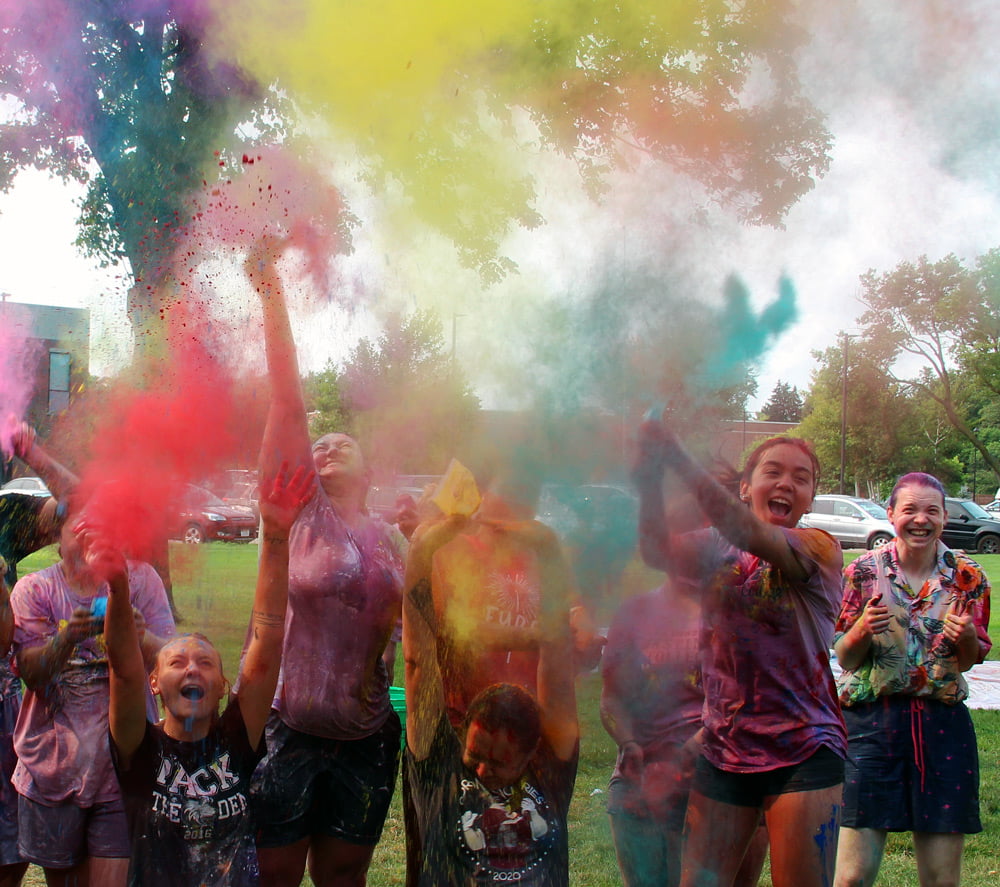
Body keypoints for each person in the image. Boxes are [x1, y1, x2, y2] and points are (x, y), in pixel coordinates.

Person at [244, 239, 405, 887]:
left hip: (368, 737)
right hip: (290, 726)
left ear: (370, 470)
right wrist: (270, 290)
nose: (328, 442)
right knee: (276, 874)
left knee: (343, 877)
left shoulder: (393, 536)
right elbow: (288, 401)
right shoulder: (299, 508)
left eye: (344, 441)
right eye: (321, 441)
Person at [633, 420, 847, 887]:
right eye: (773, 471)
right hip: (723, 747)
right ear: (747, 486)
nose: (787, 483)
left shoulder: (819, 548)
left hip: (804, 747)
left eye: (801, 477)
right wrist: (649, 477)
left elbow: (747, 531)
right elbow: (654, 551)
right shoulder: (712, 546)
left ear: (810, 497)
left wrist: (677, 455)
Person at [101, 461, 313, 886]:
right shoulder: (140, 750)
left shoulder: (236, 738)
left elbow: (268, 639)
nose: (192, 668)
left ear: (221, 686)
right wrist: (118, 588)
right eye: (177, 662)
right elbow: (124, 669)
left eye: (205, 664)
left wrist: (275, 533)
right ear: (155, 683)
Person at [833, 472, 991, 887]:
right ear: (890, 514)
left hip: (943, 728)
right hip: (869, 728)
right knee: (850, 877)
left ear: (944, 518)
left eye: (931, 511)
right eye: (910, 510)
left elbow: (969, 662)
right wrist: (862, 629)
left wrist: (969, 638)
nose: (920, 519)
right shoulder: (862, 572)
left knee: (941, 880)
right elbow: (845, 658)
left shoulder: (968, 576)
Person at [402, 514, 579, 886]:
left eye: (500, 762)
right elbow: (418, 663)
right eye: (476, 754)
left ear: (533, 752)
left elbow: (558, 665)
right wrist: (421, 552)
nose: (482, 772)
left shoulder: (549, 771)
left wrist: (548, 554)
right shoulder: (440, 769)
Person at [10, 493, 175, 887]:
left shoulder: (141, 579)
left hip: (125, 765)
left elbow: (172, 660)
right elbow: (30, 674)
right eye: (79, 532)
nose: (89, 543)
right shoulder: (35, 590)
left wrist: (142, 636)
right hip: (52, 767)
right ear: (57, 537)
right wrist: (65, 641)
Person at [601, 574, 767, 887]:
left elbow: (755, 692)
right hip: (643, 782)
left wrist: (701, 740)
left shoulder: (738, 609)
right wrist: (628, 741)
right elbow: (611, 698)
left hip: (727, 777)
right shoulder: (634, 612)